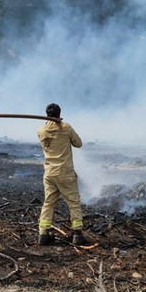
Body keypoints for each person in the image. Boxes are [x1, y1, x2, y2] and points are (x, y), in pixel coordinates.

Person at [37, 103, 87, 246]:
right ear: (59, 114)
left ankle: (43, 233)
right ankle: (77, 234)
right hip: (65, 172)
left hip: (49, 172)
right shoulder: (66, 128)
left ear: (46, 115)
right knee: (73, 202)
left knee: (48, 203)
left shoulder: (41, 131)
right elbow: (78, 143)